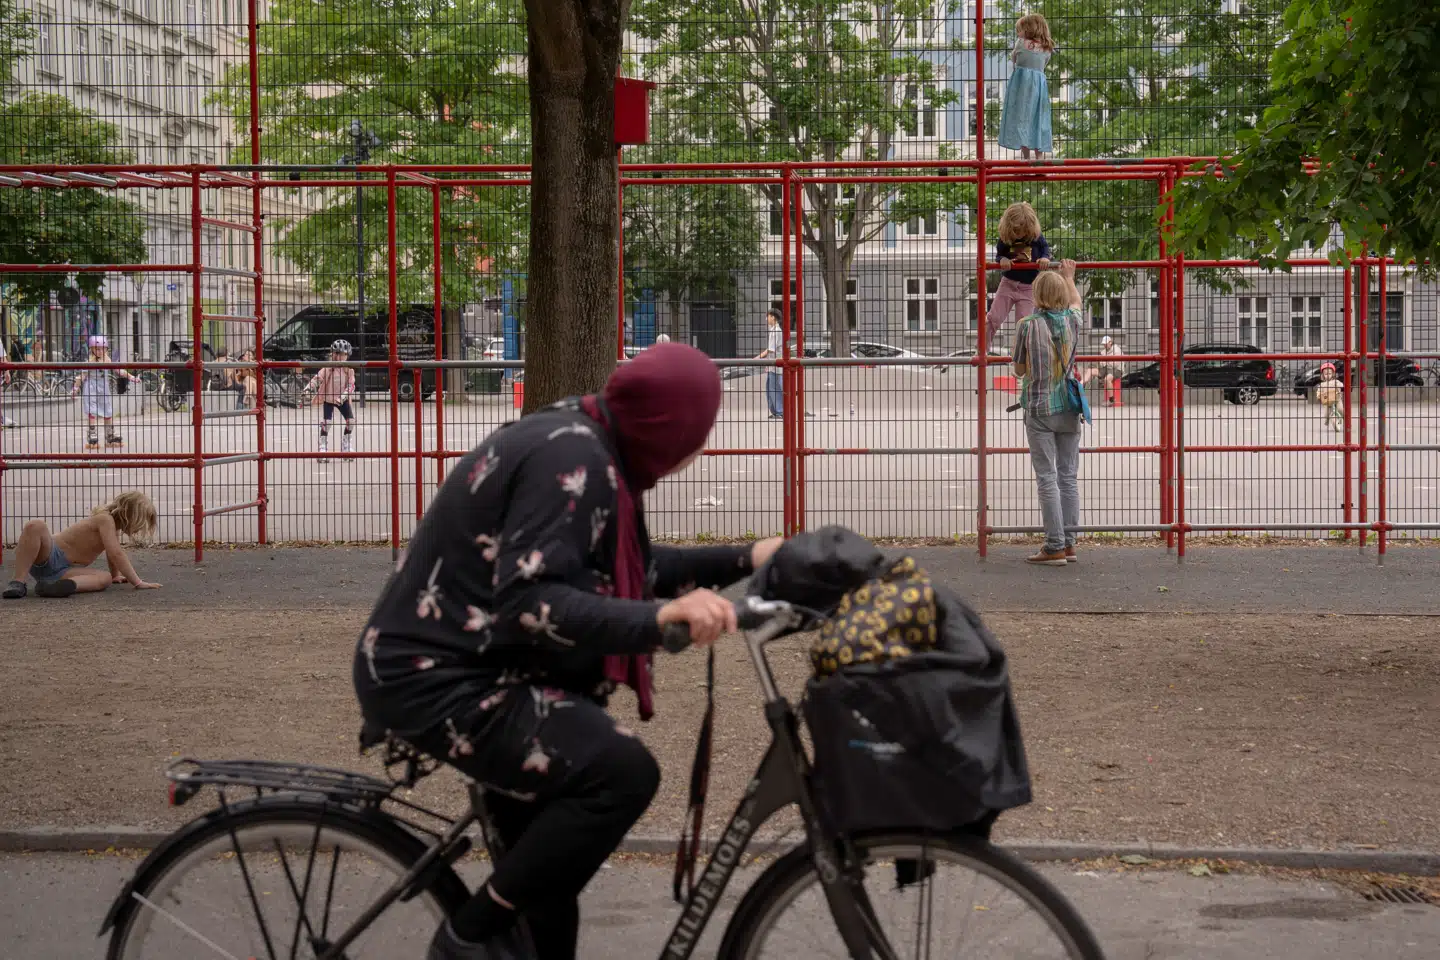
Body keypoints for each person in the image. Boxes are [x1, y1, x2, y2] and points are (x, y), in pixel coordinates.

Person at [353, 343, 782, 960]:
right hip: (439, 678)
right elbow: (533, 601)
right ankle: (468, 938)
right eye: (699, 433)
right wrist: (658, 619)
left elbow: (634, 569)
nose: (700, 449)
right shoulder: (573, 458)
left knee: (546, 890)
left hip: (482, 664)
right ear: (670, 431)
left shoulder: (589, 442)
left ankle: (505, 933)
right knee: (621, 773)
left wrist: (752, 557)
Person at [1012, 259, 1084, 567]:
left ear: (1036, 294)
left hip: (1040, 408)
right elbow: (1077, 302)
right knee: (1068, 477)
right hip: (1069, 407)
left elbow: (1019, 369)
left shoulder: (1027, 325)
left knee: (1047, 477)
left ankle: (1053, 546)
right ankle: (1069, 543)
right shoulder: (1073, 321)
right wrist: (1069, 277)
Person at [3, 490, 162, 599]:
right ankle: (18, 582)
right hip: (49, 555)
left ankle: (59, 587)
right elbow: (116, 553)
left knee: (104, 578)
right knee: (36, 526)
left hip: (64, 572)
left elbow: (111, 552)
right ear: (129, 515)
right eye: (140, 524)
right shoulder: (105, 519)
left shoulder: (113, 528)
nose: (138, 529)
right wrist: (138, 582)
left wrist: (114, 576)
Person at [988, 202, 1053, 351]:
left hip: (1028, 286)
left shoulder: (1035, 237)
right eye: (1016, 231)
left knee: (1025, 323)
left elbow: (1045, 249)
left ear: (1030, 227)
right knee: (994, 317)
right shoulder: (1006, 238)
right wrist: (1002, 260)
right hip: (1008, 283)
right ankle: (982, 348)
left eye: (1022, 230)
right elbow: (999, 255)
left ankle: (1022, 355)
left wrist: (1045, 258)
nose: (1020, 234)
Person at [998, 13, 1055, 160]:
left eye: (1020, 30)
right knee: (1038, 118)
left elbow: (1014, 58)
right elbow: (1043, 65)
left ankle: (1026, 157)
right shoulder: (1047, 48)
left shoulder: (1020, 43)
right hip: (1038, 88)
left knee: (1021, 118)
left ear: (1029, 29)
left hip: (1021, 86)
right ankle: (1039, 156)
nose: (1018, 33)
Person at [72, 335, 138, 449]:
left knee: (108, 410)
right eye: (97, 349)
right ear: (92, 349)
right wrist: (75, 388)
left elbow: (119, 370)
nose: (100, 351)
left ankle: (110, 435)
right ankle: (92, 434)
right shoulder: (89, 362)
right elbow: (81, 376)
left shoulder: (107, 360)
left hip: (104, 388)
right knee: (91, 411)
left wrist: (131, 377)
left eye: (103, 349)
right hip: (91, 388)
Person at [302, 339, 357, 462]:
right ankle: (323, 447)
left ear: (347, 356)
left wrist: (343, 396)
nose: (340, 357)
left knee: (351, 421)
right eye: (337, 354)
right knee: (327, 422)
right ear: (333, 354)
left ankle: (346, 445)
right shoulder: (327, 369)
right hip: (328, 398)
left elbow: (351, 385)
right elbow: (317, 379)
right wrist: (308, 389)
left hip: (342, 399)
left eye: (343, 354)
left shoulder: (349, 370)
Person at [755, 307, 784, 418]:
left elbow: (770, 349)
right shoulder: (774, 330)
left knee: (774, 388)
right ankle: (775, 411)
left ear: (773, 317)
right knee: (770, 388)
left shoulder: (776, 331)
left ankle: (779, 411)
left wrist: (758, 357)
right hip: (772, 365)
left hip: (775, 366)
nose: (766, 319)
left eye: (767, 316)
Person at [1316, 362, 1344, 434]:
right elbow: (1319, 391)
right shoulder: (1322, 384)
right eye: (1326, 374)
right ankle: (1327, 420)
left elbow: (1341, 385)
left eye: (1329, 373)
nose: (1328, 375)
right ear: (1323, 375)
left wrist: (1341, 386)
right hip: (1327, 400)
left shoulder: (1335, 381)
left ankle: (1345, 418)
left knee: (1340, 409)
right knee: (1326, 414)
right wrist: (1318, 395)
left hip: (1337, 399)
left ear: (1333, 374)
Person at [1097, 335, 1124, 405]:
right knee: (1093, 370)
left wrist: (1105, 362)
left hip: (1117, 369)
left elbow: (1115, 364)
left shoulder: (1117, 350)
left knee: (1107, 379)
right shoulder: (1103, 352)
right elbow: (1101, 363)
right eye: (1104, 344)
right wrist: (1106, 362)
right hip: (1107, 368)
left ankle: (1111, 399)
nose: (1105, 345)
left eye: (1106, 344)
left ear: (1110, 342)